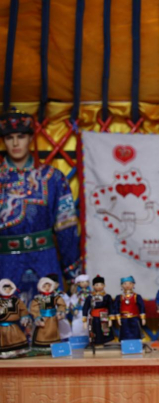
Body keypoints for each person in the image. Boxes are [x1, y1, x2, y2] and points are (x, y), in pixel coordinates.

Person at [0, 110, 82, 303]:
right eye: (9, 138)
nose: (15, 143)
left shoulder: (52, 178)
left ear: (31, 138)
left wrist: (74, 276)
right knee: (7, 318)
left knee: (49, 316)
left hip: (45, 261)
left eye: (21, 136)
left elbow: (66, 229)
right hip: (4, 263)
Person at [30, 276, 67, 353]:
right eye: (44, 286)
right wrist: (38, 317)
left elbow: (62, 305)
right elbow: (34, 308)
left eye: (49, 286)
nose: (47, 288)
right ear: (40, 287)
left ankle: (54, 346)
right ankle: (42, 346)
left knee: (53, 332)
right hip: (43, 319)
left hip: (53, 319)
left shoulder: (55, 297)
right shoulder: (38, 298)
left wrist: (60, 312)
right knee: (42, 332)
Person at [0, 279, 30, 358]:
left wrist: (24, 317)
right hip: (1, 327)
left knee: (17, 338)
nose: (7, 291)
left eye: (9, 289)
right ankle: (4, 353)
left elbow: (23, 310)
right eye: (5, 289)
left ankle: (17, 351)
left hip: (13, 326)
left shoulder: (16, 300)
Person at [82, 275, 115, 346]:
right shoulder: (90, 297)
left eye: (101, 284)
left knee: (105, 330)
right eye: (97, 285)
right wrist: (84, 320)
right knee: (95, 330)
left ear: (104, 285)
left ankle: (105, 342)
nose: (99, 286)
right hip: (94, 317)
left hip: (104, 316)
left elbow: (111, 307)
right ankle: (97, 342)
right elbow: (85, 308)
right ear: (93, 286)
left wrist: (110, 319)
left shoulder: (107, 297)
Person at [112, 276, 146, 341]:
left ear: (133, 284)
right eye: (125, 283)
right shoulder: (119, 297)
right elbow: (116, 307)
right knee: (124, 332)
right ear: (121, 285)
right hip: (123, 319)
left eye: (130, 283)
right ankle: (125, 344)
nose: (127, 285)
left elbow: (142, 307)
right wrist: (118, 318)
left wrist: (143, 318)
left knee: (135, 332)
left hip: (134, 318)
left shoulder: (137, 296)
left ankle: (136, 344)